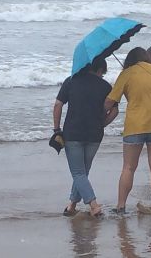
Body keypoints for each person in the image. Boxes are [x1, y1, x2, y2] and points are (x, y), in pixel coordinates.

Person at [104, 47, 151, 214]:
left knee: (128, 167)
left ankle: (121, 206)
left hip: (135, 125)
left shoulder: (126, 74)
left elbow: (110, 101)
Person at [53, 57, 118, 218]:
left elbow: (58, 105)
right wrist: (102, 124)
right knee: (83, 172)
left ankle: (94, 205)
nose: (103, 75)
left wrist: (56, 128)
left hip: (73, 133)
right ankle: (72, 206)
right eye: (103, 72)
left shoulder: (71, 81)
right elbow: (114, 111)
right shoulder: (105, 86)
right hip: (95, 135)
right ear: (99, 69)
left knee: (78, 173)